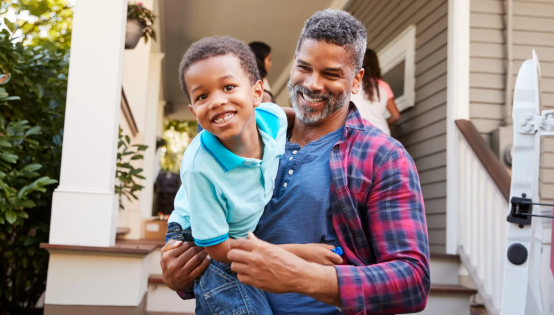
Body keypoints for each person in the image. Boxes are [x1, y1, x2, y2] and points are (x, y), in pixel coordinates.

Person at [161, 9, 430, 315]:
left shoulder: (382, 157)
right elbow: (209, 235)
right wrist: (180, 271)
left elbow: (413, 281)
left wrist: (303, 276)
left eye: (331, 74)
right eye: (304, 67)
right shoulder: (242, 138)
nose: (313, 84)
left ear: (356, 81)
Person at [166, 35, 343, 315]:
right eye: (202, 96)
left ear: (257, 92)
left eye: (228, 86)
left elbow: (300, 119)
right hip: (203, 238)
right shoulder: (200, 167)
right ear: (192, 110)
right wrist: (300, 253)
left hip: (234, 236)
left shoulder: (272, 119)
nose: (216, 101)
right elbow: (217, 249)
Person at [350, 48, 400, 135]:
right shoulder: (383, 86)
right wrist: (383, 123)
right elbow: (396, 116)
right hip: (381, 134)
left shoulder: (351, 83)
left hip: (357, 134)